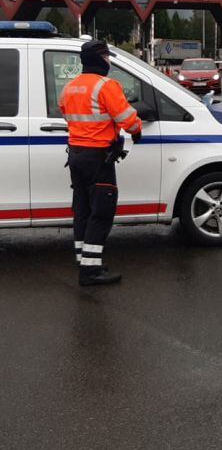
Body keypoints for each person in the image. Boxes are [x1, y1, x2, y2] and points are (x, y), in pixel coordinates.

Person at [60, 40, 143, 286]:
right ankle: (90, 271)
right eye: (107, 56)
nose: (108, 61)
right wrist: (137, 130)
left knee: (82, 210)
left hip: (75, 155)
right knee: (102, 212)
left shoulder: (70, 87)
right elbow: (127, 118)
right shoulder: (106, 86)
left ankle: (84, 259)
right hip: (98, 157)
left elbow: (67, 113)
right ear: (100, 58)